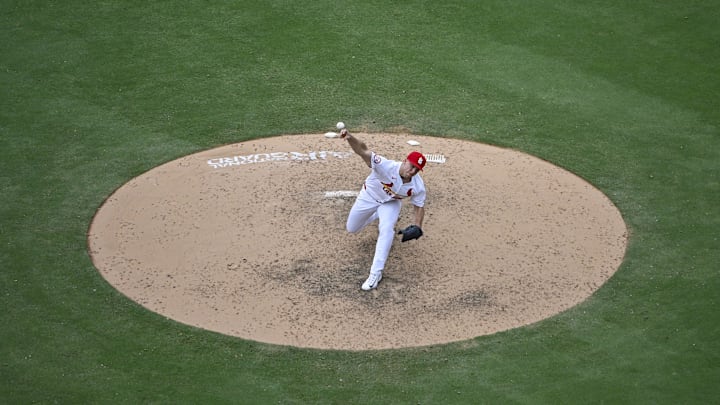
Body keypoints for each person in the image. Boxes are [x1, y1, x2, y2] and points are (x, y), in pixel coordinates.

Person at [339, 128, 427, 290]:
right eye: (412, 166)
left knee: (386, 230)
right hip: (369, 196)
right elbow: (363, 151)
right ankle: (374, 215)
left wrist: (418, 226)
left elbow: (419, 206)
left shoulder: (417, 185)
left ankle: (375, 273)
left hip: (390, 203)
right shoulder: (385, 166)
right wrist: (350, 138)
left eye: (416, 170)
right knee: (352, 228)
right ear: (405, 160)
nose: (412, 171)